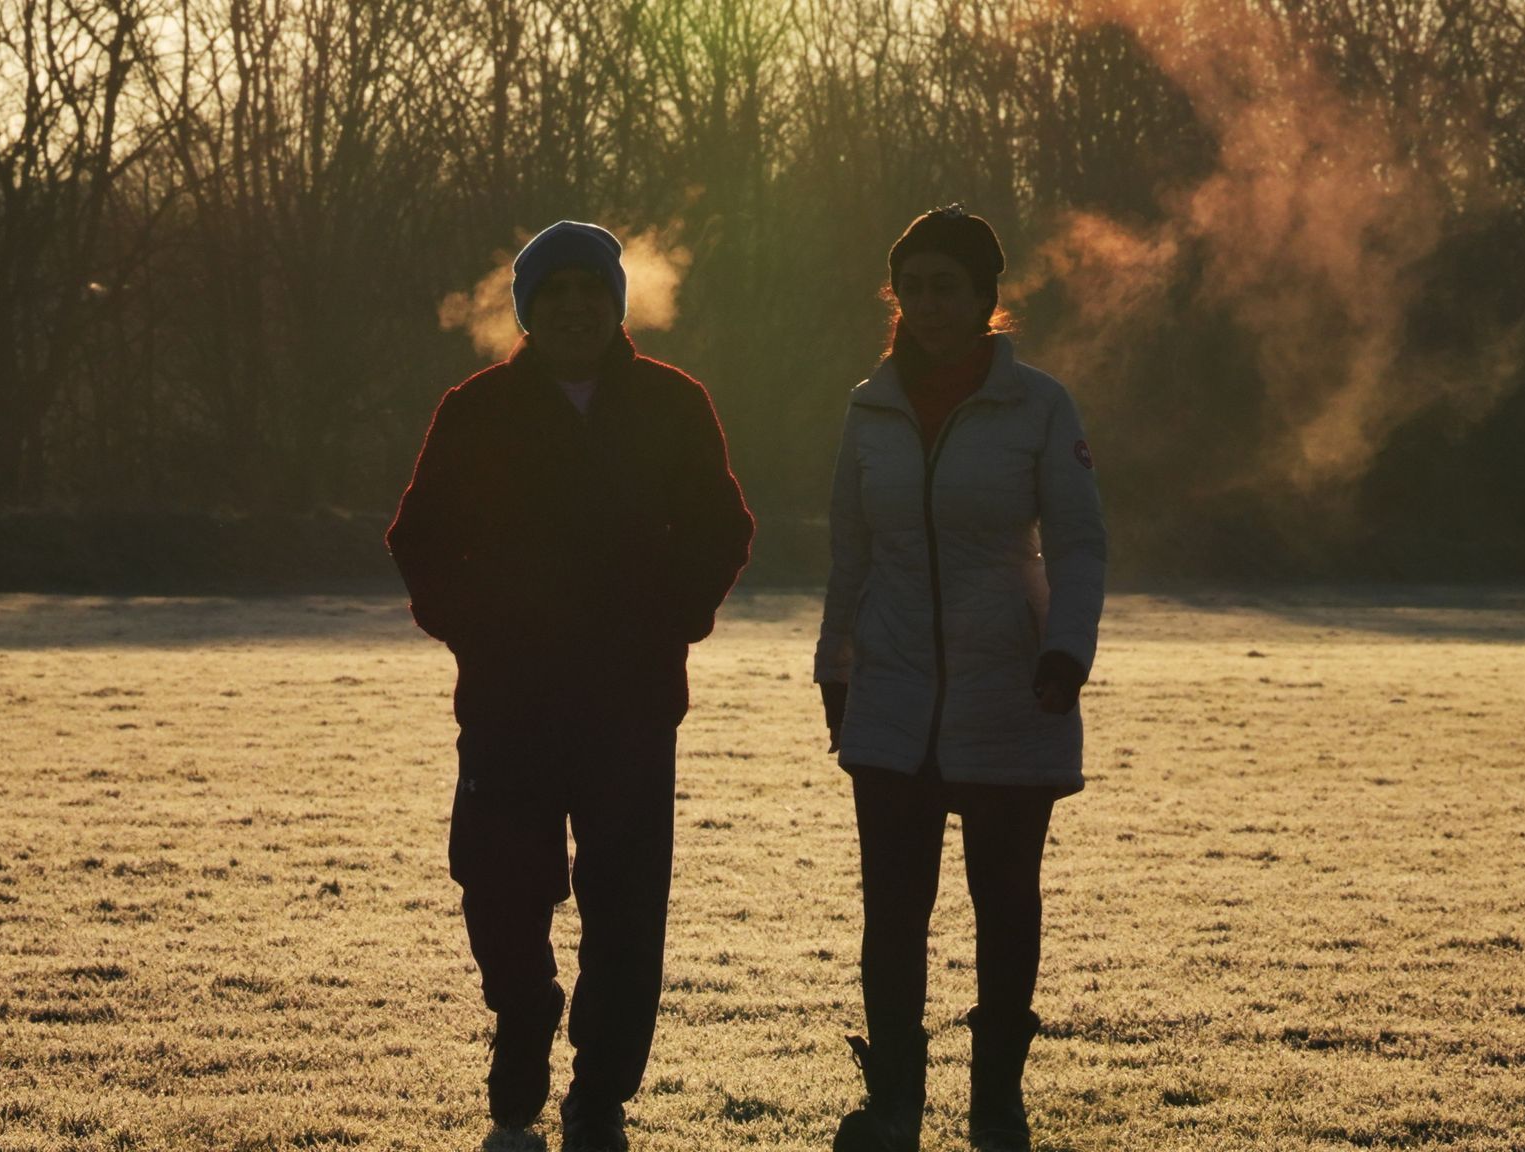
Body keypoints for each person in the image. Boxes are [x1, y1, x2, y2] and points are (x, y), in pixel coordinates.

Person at [387, 220, 754, 1151]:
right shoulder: (475, 411)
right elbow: (419, 540)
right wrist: (476, 631)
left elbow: (722, 527)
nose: (577, 308)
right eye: (556, 295)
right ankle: (524, 1015)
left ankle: (601, 1091)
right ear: (529, 311)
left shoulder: (674, 405)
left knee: (628, 906)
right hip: (509, 704)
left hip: (632, 705)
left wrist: (673, 620)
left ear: (616, 304)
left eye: (593, 291)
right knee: (498, 888)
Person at [814, 205, 1107, 1152]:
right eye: (916, 285)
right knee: (892, 913)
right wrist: (835, 666)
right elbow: (849, 554)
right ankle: (894, 1103)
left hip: (1012, 691)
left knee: (1005, 903)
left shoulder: (1041, 406)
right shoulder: (868, 408)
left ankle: (996, 1104)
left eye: (952, 286)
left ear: (988, 299)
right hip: (891, 696)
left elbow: (1076, 540)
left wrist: (1066, 649)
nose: (931, 303)